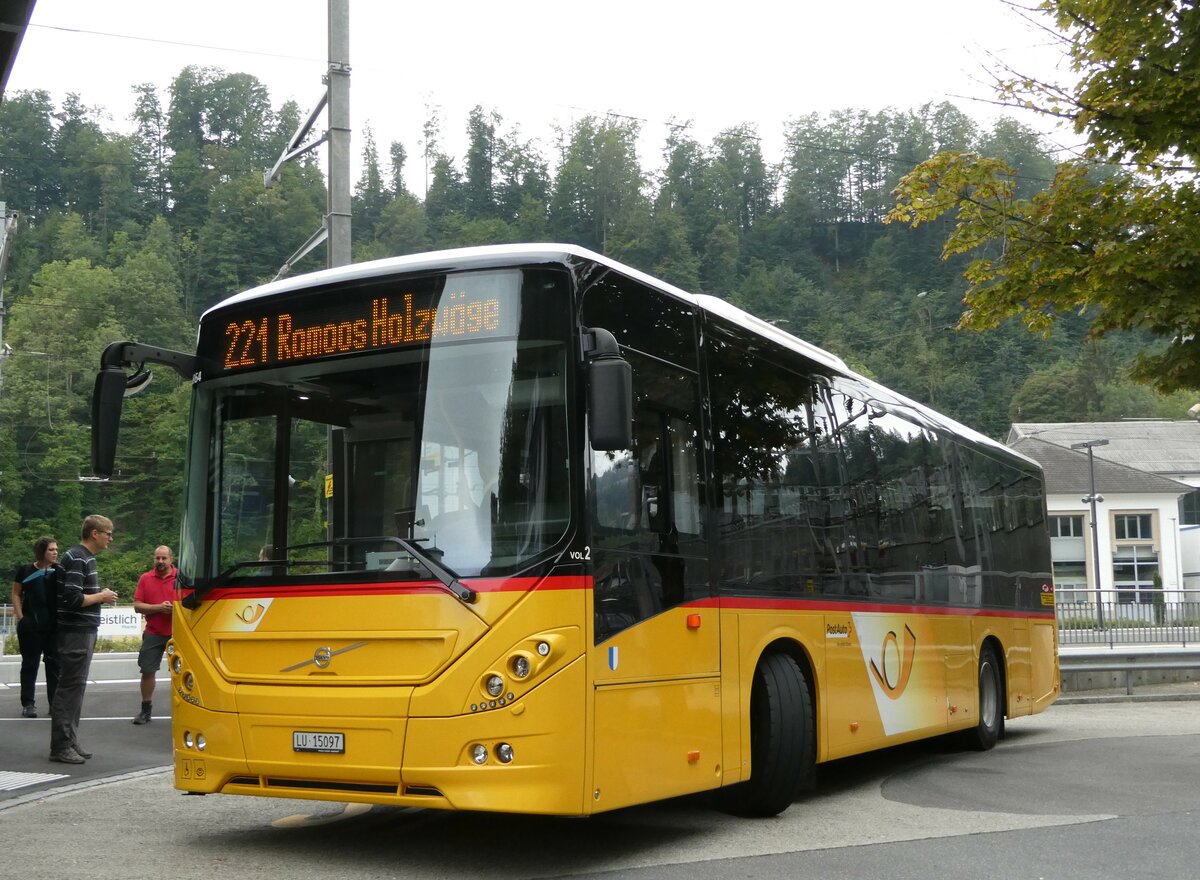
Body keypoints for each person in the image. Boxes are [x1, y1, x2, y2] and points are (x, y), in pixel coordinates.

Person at [49, 515, 118, 764]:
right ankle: (61, 745)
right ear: (94, 533)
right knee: (70, 688)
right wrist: (102, 596)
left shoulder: (83, 557)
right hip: (75, 632)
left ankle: (69, 739)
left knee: (75, 688)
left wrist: (99, 596)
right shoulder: (78, 557)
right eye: (108, 533)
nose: (111, 537)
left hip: (81, 630)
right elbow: (73, 599)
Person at [11, 536, 62, 718]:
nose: (55, 552)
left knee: (54, 665)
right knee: (30, 664)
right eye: (51, 549)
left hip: (53, 626)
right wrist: (21, 617)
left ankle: (54, 704)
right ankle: (28, 704)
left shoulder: (59, 571)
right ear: (41, 551)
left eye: (56, 549)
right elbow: (16, 593)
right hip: (31, 625)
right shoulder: (25, 570)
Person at [131, 545, 176, 724]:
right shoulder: (145, 578)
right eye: (157, 558)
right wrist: (159, 607)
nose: (160, 562)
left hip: (178, 633)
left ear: (171, 559)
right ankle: (145, 710)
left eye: (164, 558)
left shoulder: (181, 577)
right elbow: (137, 606)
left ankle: (185, 710)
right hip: (154, 632)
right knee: (148, 670)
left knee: (182, 673)